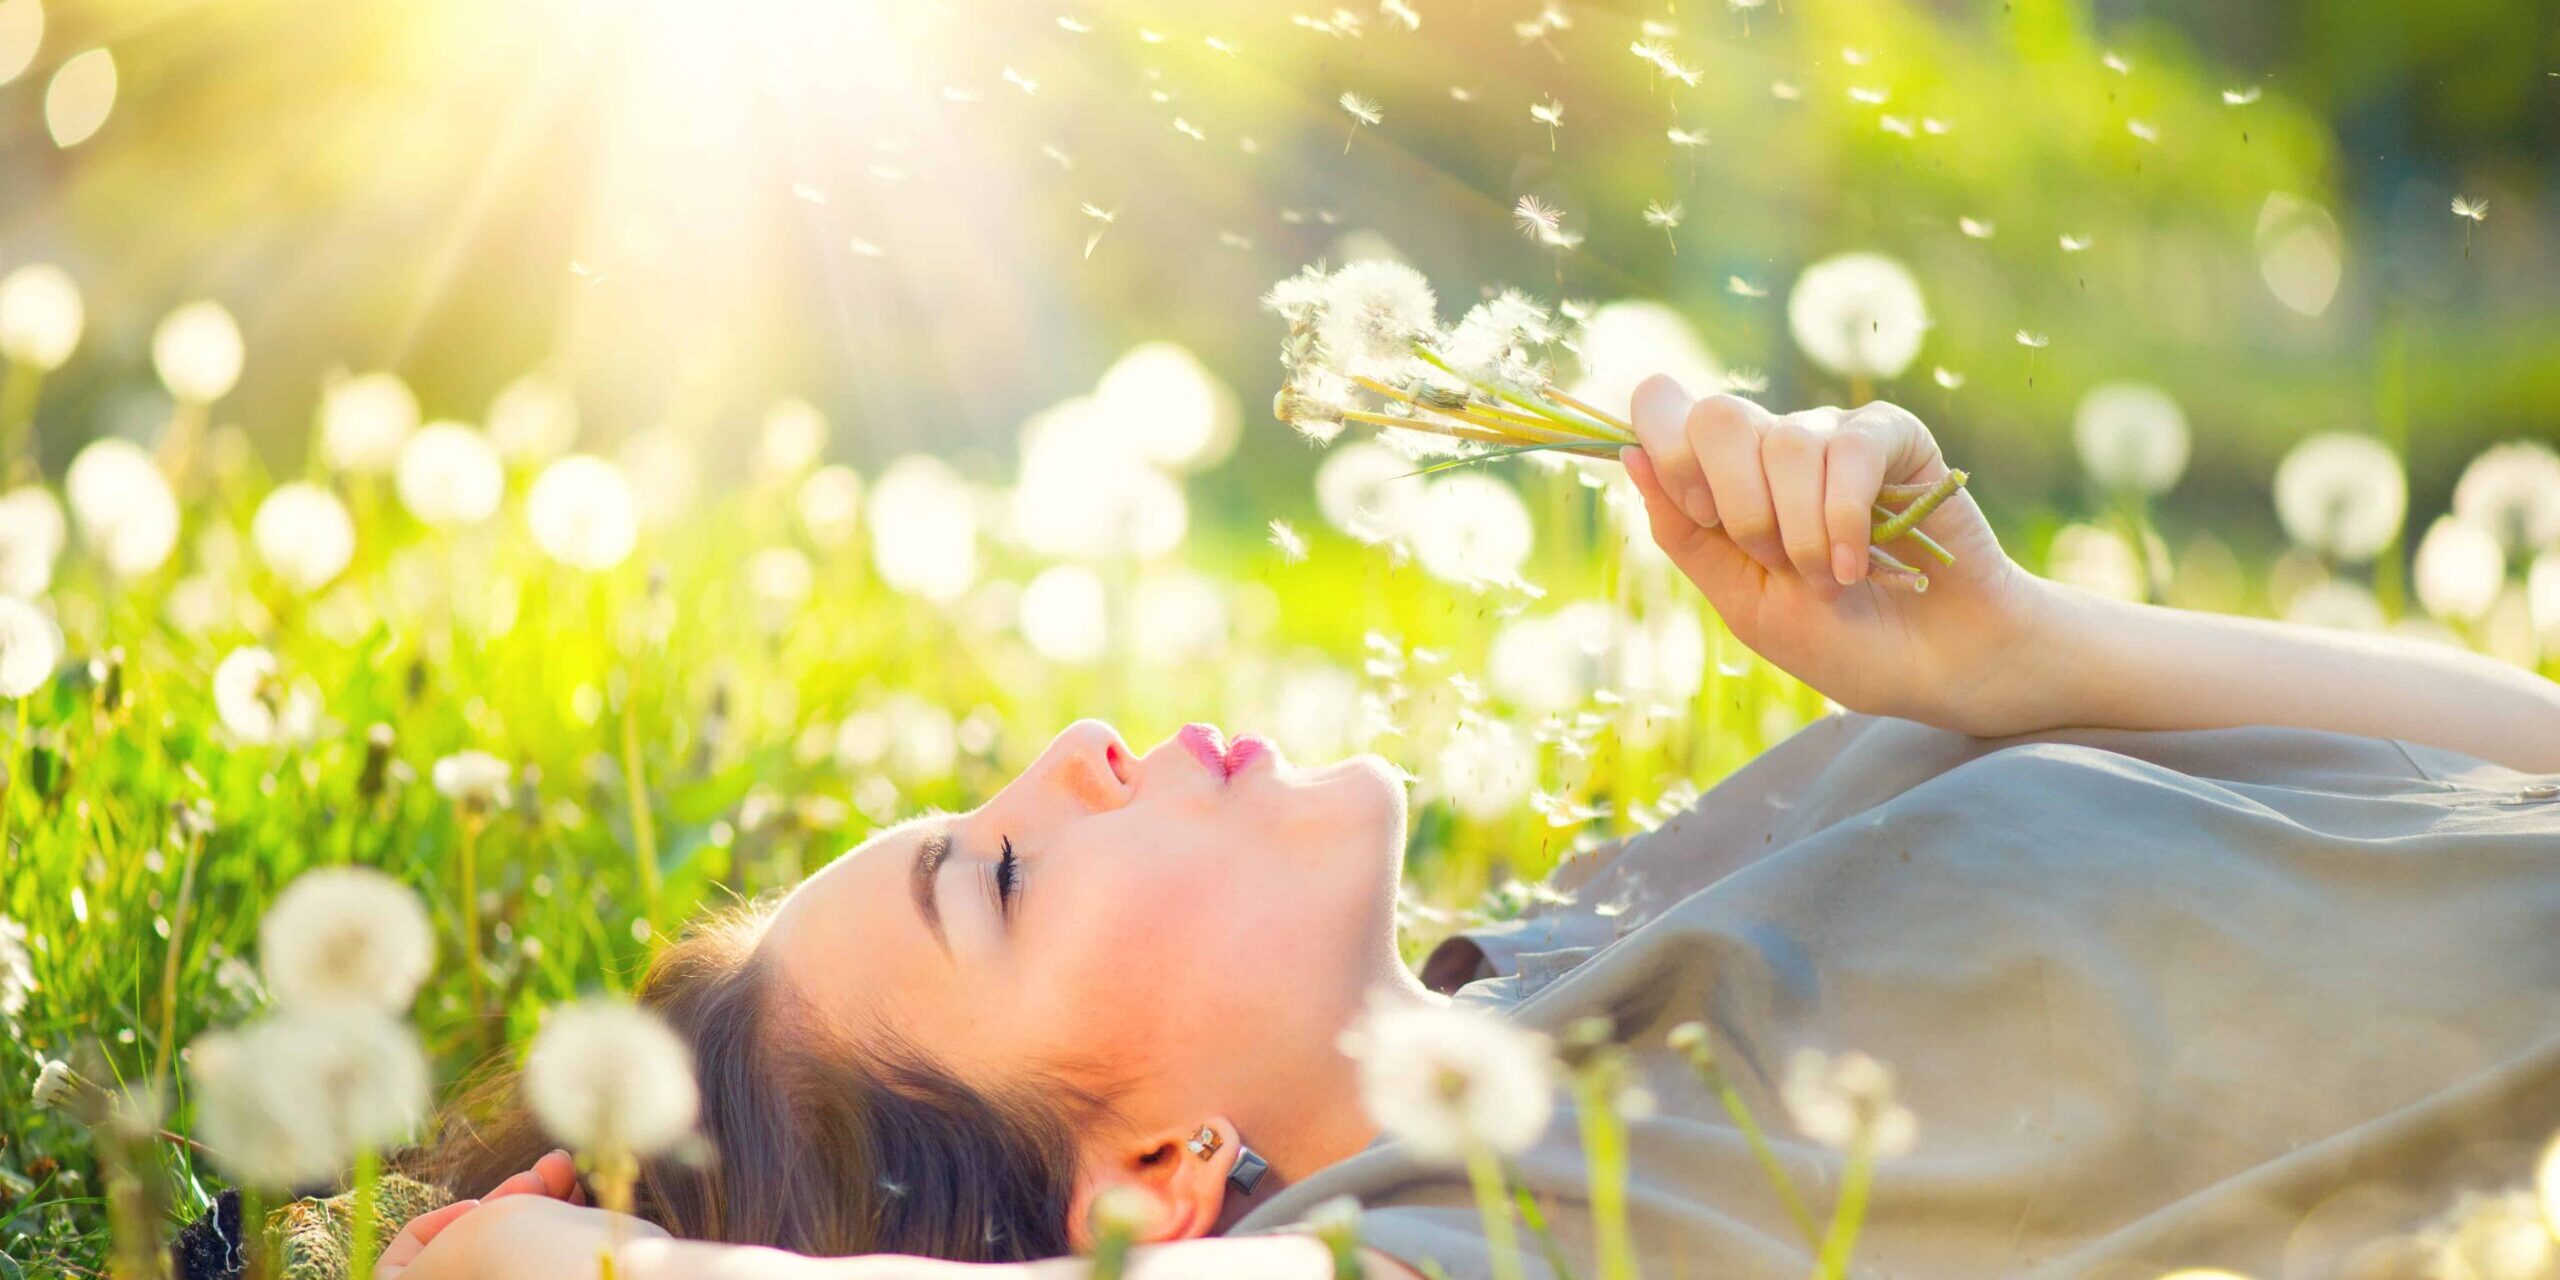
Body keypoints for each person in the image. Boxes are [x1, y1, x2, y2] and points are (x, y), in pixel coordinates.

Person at [378, 376, 2560, 1280]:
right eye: (1004, 876)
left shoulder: (1562, 958)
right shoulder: (1462, 1229)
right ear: (1150, 1186)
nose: (1067, 749)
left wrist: (2005, 657)